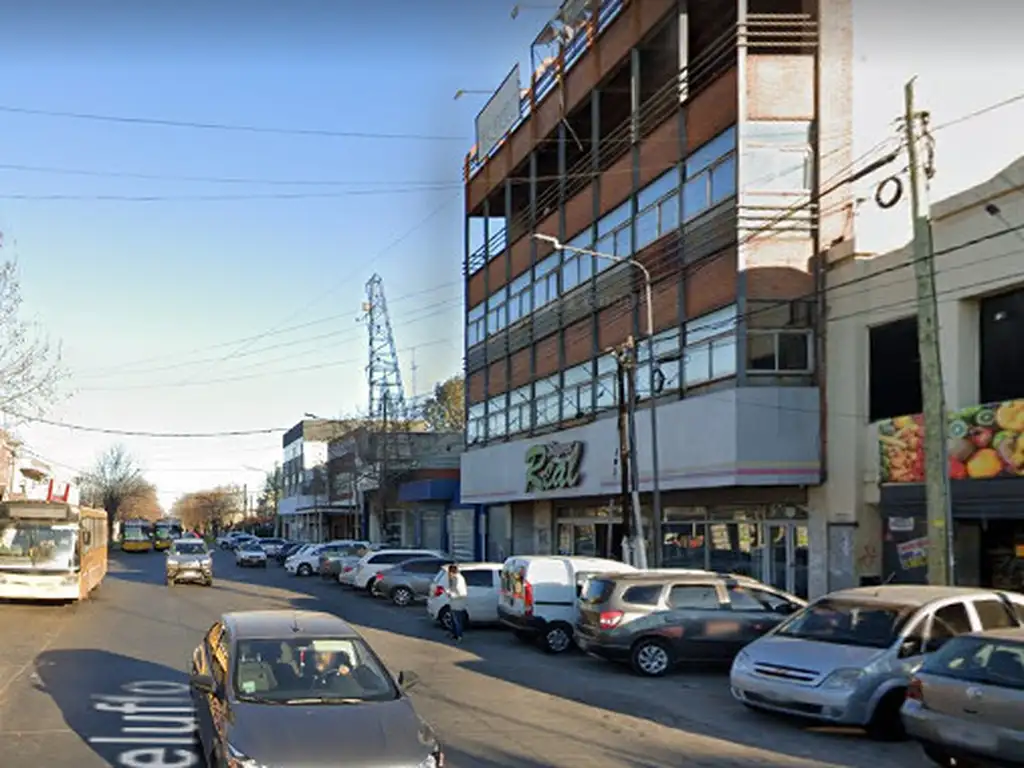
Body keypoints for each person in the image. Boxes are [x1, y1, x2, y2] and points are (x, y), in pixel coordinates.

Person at [445, 564, 469, 644]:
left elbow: (461, 593)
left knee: (457, 620)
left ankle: (459, 636)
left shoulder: (458, 579)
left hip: (458, 603)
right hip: (454, 603)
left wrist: (451, 594)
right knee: (454, 620)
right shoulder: (454, 579)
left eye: (449, 572)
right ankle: (455, 634)